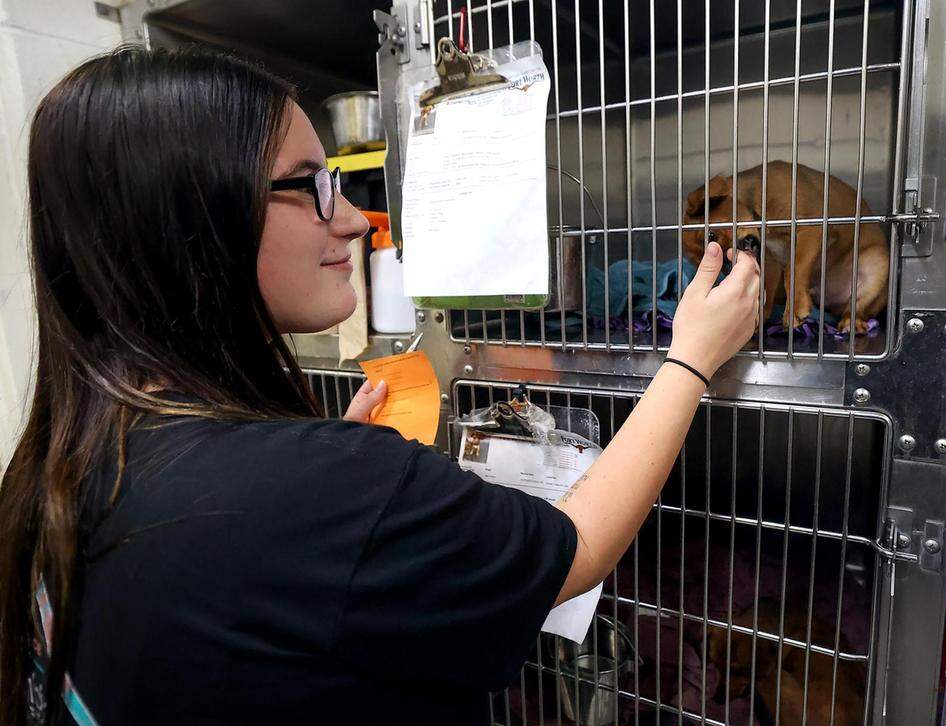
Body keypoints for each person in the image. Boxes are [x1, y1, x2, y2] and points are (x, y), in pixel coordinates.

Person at [0, 46, 760, 725]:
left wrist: (329, 485)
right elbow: (577, 549)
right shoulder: (315, 488)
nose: (359, 223)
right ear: (192, 217)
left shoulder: (64, 461)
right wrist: (692, 357)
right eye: (312, 186)